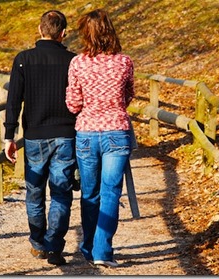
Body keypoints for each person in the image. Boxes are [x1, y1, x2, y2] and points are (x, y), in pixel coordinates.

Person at [3, 10, 77, 266]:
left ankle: (37, 243)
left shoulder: (23, 59)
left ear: (39, 29)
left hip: (34, 136)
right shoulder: (73, 60)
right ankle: (55, 247)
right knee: (61, 193)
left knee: (35, 192)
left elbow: (13, 101)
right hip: (66, 135)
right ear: (63, 33)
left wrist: (9, 135)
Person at [65, 8, 135, 268]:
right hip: (116, 131)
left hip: (86, 133)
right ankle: (102, 250)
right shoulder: (124, 61)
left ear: (86, 33)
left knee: (90, 193)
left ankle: (87, 246)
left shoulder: (78, 63)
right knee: (110, 193)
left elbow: (73, 104)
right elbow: (128, 96)